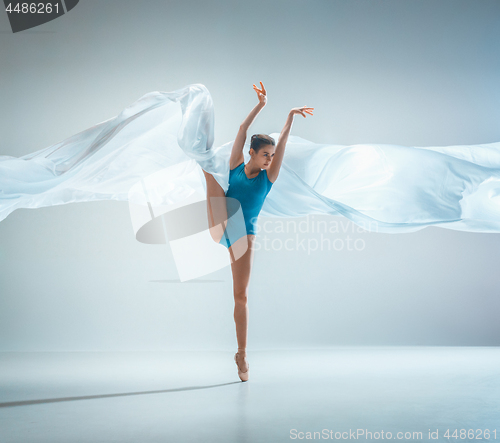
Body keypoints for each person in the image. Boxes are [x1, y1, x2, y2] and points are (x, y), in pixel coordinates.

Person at [200, 82, 314, 381]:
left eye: (272, 156)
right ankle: (193, 144)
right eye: (265, 154)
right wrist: (261, 105)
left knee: (240, 296)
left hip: (242, 236)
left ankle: (241, 355)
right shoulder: (236, 165)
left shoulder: (268, 178)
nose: (270, 159)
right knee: (207, 169)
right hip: (221, 224)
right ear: (251, 153)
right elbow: (241, 129)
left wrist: (289, 116)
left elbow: (284, 142)